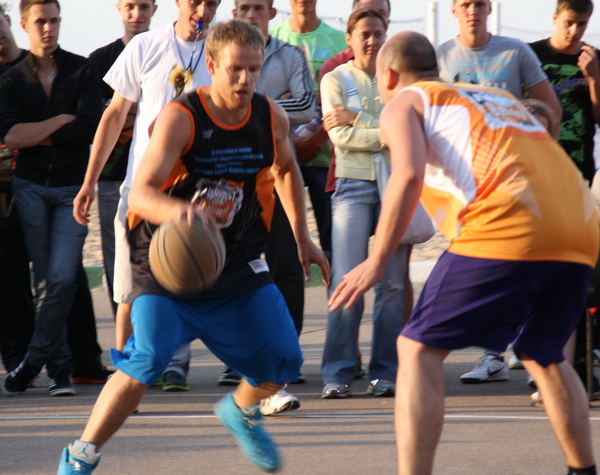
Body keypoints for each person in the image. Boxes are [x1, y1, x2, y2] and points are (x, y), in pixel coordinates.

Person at [56, 19, 330, 475]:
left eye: (254, 69)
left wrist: (304, 239)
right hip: (166, 259)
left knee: (283, 360)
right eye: (236, 69)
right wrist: (181, 213)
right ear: (213, 66)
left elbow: (284, 170)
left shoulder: (269, 116)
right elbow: (141, 193)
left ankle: (239, 411)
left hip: (234, 259)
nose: (245, 80)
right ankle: (81, 455)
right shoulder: (181, 117)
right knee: (147, 360)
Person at [329, 31, 598, 475]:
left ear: (388, 75)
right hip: (580, 226)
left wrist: (376, 260)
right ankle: (583, 471)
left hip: (509, 222)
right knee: (545, 354)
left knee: (415, 348)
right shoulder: (494, 97)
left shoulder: (406, 100)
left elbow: (407, 174)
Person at [73, 0, 221, 392]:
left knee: (187, 278)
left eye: (211, 2)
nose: (202, 9)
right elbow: (114, 115)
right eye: (195, 1)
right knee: (128, 290)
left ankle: (177, 365)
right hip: (142, 189)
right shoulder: (146, 46)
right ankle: (126, 376)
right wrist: (89, 181)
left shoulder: (220, 54)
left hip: (194, 192)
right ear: (178, 2)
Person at [437, 0, 563, 383]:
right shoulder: (442, 57)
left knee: (524, 265)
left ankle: (533, 354)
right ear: (453, 10)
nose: (472, 10)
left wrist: (541, 163)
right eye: (464, 4)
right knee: (485, 270)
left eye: (479, 3)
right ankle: (492, 356)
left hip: (514, 179)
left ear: (489, 7)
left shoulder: (514, 52)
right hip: (468, 183)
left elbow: (551, 109)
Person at [0, 0, 103, 396]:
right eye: (41, 21)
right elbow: (11, 136)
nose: (49, 28)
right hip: (28, 188)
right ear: (24, 24)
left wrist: (36, 132)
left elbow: (88, 129)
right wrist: (61, 120)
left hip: (71, 189)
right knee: (46, 281)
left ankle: (31, 362)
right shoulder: (12, 80)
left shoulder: (82, 70)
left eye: (54, 20)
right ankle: (60, 369)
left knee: (61, 278)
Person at [319, 7, 407, 399]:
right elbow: (339, 138)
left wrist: (356, 117)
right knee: (345, 280)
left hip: (397, 186)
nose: (372, 40)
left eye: (378, 33)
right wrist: (388, 130)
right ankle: (337, 373)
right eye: (364, 34)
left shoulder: (401, 80)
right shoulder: (334, 78)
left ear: (387, 35)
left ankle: (385, 373)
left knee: (392, 284)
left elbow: (412, 128)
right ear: (349, 39)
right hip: (351, 186)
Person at [232, 0, 314, 414]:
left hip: (277, 175)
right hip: (231, 179)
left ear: (272, 13)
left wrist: (253, 104)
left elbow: (307, 106)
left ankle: (285, 358)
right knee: (234, 270)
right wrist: (274, 104)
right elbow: (215, 102)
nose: (251, 13)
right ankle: (241, 363)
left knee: (286, 266)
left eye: (258, 6)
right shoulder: (220, 52)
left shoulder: (291, 55)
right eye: (243, 6)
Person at [530, 0, 600, 399]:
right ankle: (537, 357)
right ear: (555, 18)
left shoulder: (594, 59)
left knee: (575, 270)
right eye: (569, 23)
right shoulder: (531, 56)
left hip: (579, 177)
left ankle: (575, 360)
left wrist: (593, 80)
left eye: (583, 24)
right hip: (538, 177)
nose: (575, 31)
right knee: (540, 269)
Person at [87, 0, 157, 316]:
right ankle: (125, 332)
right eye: (130, 6)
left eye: (143, 6)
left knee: (160, 259)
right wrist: (139, 108)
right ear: (118, 9)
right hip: (112, 174)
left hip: (156, 173)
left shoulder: (162, 51)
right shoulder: (99, 61)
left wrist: (128, 110)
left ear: (155, 9)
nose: (137, 14)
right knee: (118, 264)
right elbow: (99, 118)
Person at [270, 0, 347, 263]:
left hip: (325, 158)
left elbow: (344, 100)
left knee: (333, 244)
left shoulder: (338, 40)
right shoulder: (273, 39)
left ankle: (337, 291)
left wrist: (315, 139)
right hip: (281, 158)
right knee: (285, 247)